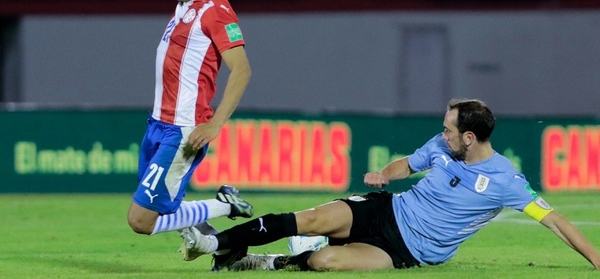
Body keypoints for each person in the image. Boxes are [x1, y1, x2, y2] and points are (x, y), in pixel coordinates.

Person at [179, 99, 600, 271]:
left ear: (469, 138)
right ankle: (218, 244)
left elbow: (557, 221)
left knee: (327, 263)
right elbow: (407, 164)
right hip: (386, 208)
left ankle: (268, 263)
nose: (443, 133)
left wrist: (597, 261)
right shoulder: (441, 145)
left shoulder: (507, 181)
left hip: (407, 250)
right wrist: (387, 174)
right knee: (309, 219)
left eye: (450, 130)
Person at [127, 0, 254, 242]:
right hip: (158, 123)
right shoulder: (188, 2)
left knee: (141, 219)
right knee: (162, 209)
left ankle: (226, 207)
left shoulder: (216, 11)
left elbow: (241, 70)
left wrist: (215, 125)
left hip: (183, 130)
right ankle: (218, 245)